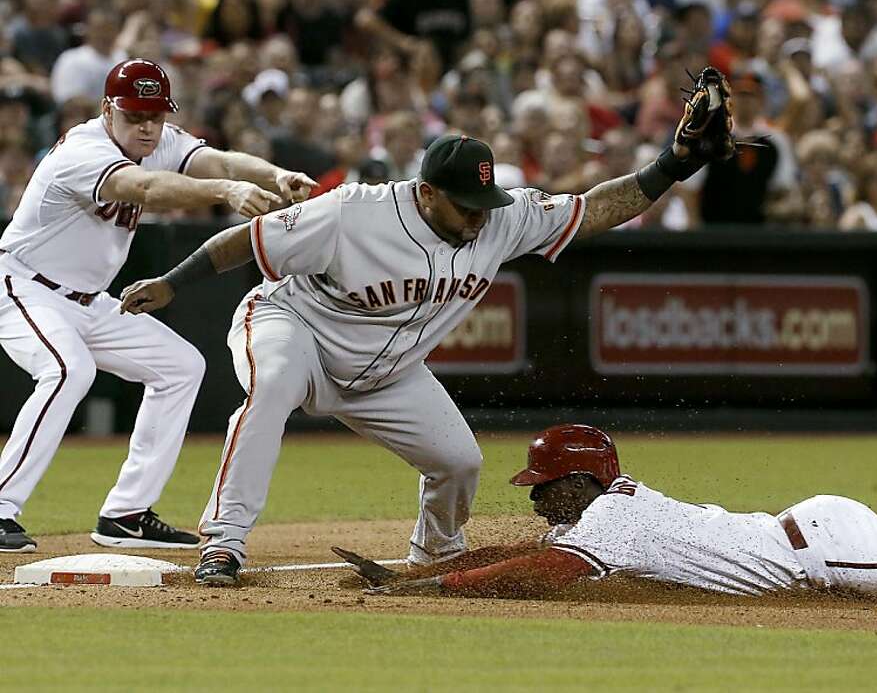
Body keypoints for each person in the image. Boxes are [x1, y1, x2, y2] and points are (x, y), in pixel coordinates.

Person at [117, 69, 739, 585]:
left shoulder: (500, 219)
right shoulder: (352, 212)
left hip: (387, 372)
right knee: (272, 386)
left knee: (459, 463)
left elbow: (599, 208)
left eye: (485, 204)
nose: (478, 219)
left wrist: (673, 165)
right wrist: (172, 283)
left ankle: (434, 551)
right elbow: (244, 242)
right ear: (427, 192)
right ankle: (223, 544)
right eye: (465, 205)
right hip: (297, 326)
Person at [335, 392, 877, 601]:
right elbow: (532, 555)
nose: (535, 498)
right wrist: (417, 573)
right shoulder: (609, 507)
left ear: (583, 479)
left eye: (545, 484)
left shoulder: (608, 519)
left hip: (818, 545)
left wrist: (432, 584)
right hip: (815, 530)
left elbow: (541, 572)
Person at [0, 59, 316, 553]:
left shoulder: (157, 138)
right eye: (134, 115)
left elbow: (226, 162)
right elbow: (146, 188)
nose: (148, 126)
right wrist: (226, 192)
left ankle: (125, 514)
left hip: (88, 301)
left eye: (156, 115)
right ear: (108, 110)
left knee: (181, 366)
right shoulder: (83, 150)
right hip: (22, 286)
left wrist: (276, 176)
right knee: (68, 370)